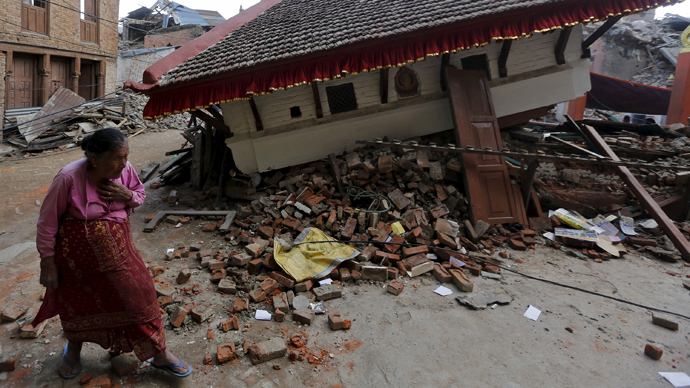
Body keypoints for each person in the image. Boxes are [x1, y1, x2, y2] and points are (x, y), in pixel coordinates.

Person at [33, 128, 192, 379]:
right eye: (118, 157)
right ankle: (73, 350)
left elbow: (139, 196)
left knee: (140, 295)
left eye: (126, 156)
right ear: (95, 159)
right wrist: (48, 263)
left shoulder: (124, 172)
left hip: (120, 251)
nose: (124, 164)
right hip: (77, 261)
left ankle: (158, 353)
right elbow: (47, 222)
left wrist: (126, 194)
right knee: (79, 304)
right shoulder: (68, 178)